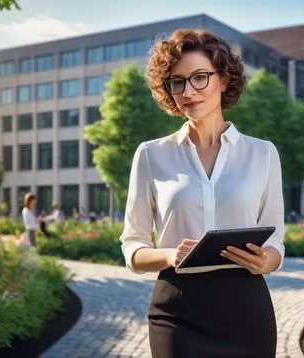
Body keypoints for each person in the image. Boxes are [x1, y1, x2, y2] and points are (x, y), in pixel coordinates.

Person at [119, 29, 285, 358]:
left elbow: (276, 241)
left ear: (223, 79)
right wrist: (170, 256)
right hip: (178, 310)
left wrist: (266, 261)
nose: (188, 91)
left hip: (245, 310)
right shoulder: (151, 155)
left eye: (199, 77)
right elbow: (133, 247)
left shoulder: (263, 154)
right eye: (177, 82)